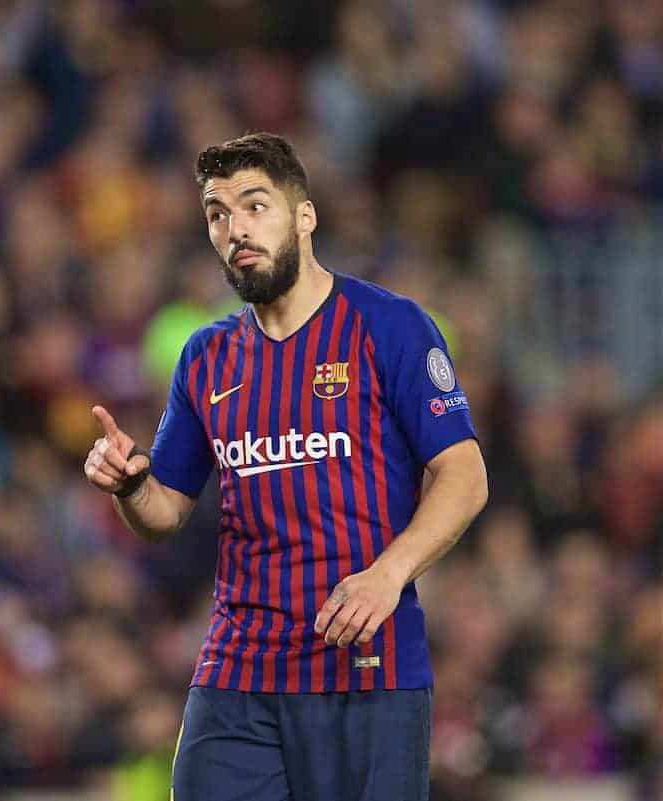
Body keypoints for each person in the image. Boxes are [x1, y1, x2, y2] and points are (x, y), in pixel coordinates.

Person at [84, 132, 488, 801]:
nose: (235, 228)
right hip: (238, 673)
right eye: (217, 213)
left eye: (254, 205)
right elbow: (166, 511)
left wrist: (389, 574)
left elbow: (465, 474)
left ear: (305, 216)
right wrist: (131, 483)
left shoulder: (389, 327)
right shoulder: (206, 356)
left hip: (367, 671)